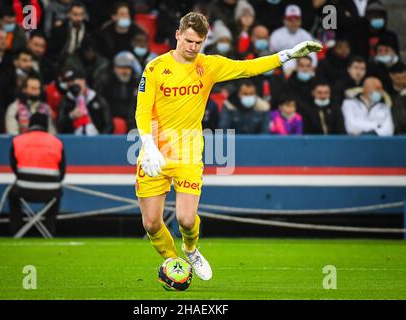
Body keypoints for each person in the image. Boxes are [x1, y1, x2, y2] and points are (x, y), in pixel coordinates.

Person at [134, 12, 321, 280]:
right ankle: (175, 264)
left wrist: (287, 55)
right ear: (177, 34)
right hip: (154, 151)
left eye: (198, 42)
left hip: (188, 152)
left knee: (186, 220)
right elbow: (142, 110)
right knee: (151, 223)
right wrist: (148, 145)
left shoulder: (208, 66)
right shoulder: (154, 68)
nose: (192, 47)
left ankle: (190, 250)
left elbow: (248, 67)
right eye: (188, 40)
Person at [8, 112, 66, 236]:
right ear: (46, 125)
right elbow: (62, 173)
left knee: (12, 196)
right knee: (57, 194)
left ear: (30, 124)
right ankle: (49, 229)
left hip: (23, 189)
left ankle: (17, 230)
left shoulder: (18, 140)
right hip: (51, 192)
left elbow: (14, 167)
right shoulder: (57, 142)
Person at [57, 68, 113, 135]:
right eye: (68, 81)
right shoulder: (65, 101)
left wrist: (100, 139)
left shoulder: (96, 98)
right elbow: (59, 126)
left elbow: (109, 125)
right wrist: (71, 116)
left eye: (73, 80)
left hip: (96, 138)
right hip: (73, 139)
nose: (71, 84)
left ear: (83, 80)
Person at [95, 51, 139, 132]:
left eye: (127, 68)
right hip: (110, 120)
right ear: (115, 68)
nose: (124, 71)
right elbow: (102, 103)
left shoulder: (136, 82)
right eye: (121, 68)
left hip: (132, 121)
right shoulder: (106, 82)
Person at [269, 4, 317, 76]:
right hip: (282, 69)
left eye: (296, 20)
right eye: (290, 20)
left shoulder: (306, 35)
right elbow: (271, 55)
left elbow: (312, 56)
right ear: (285, 20)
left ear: (300, 21)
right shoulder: (276, 35)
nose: (294, 23)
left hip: (303, 66)